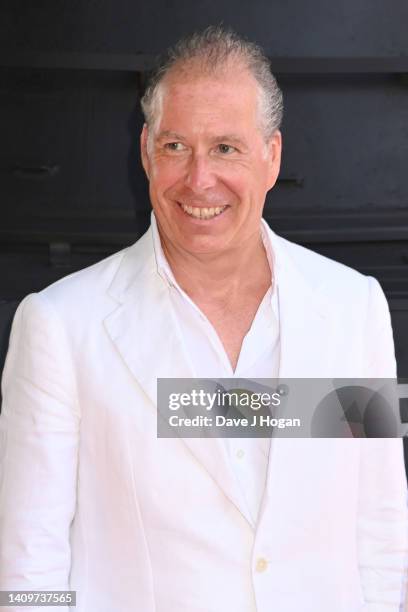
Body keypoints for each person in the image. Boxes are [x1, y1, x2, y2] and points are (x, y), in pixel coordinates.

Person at [0, 25, 407, 612]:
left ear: (272, 156)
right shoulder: (60, 326)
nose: (199, 179)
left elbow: (382, 528)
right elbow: (28, 564)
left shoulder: (354, 307)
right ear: (145, 151)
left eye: (225, 147)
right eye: (175, 147)